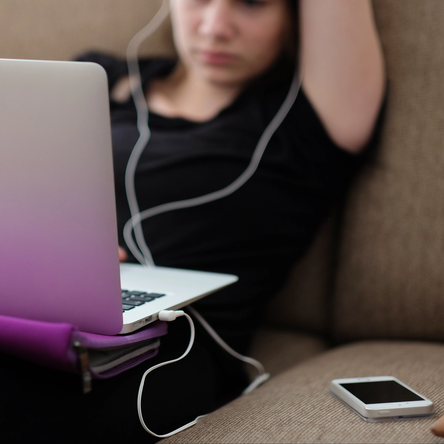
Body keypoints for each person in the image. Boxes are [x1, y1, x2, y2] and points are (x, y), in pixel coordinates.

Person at [1, 0, 385, 442]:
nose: (215, 26)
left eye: (252, 3)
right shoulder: (96, 80)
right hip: (39, 304)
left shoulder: (308, 116)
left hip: (175, 344)